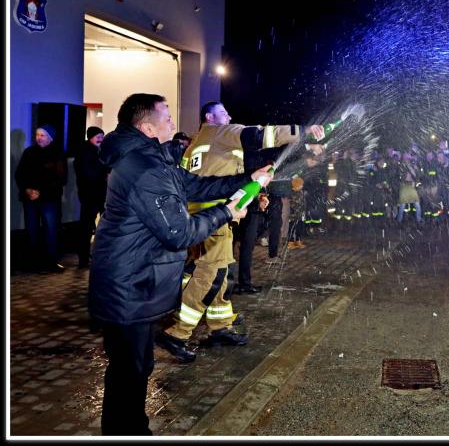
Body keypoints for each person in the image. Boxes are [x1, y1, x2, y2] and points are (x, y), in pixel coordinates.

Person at [88, 93, 271, 436]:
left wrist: (249, 178)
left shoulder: (152, 160)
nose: (173, 122)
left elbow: (198, 186)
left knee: (137, 368)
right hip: (127, 286)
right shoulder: (143, 169)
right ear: (147, 128)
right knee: (128, 372)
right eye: (167, 117)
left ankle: (134, 430)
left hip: (137, 282)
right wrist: (227, 212)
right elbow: (179, 233)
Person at [157, 101, 324, 358]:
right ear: (209, 117)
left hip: (200, 216)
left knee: (221, 271)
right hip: (215, 217)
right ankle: (177, 333)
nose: (229, 116)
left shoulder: (198, 143)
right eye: (223, 113)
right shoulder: (219, 131)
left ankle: (219, 327)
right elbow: (260, 135)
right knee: (211, 273)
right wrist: (302, 131)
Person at [14, 124, 68, 273]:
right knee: (32, 230)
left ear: (50, 138)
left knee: (50, 229)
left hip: (49, 198)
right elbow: (20, 174)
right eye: (37, 135)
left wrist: (40, 192)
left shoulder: (57, 154)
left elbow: (61, 178)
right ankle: (33, 262)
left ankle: (51, 262)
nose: (39, 138)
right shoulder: (29, 152)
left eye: (42, 135)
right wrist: (27, 190)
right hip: (29, 197)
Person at [73, 126, 108, 268]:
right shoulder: (84, 152)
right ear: (90, 137)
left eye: (102, 136)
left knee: (100, 226)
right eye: (98, 136)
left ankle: (98, 256)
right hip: (89, 195)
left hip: (101, 194)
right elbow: (88, 173)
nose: (100, 139)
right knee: (86, 227)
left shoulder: (101, 151)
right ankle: (83, 258)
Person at [287, 176, 306, 248]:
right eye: (301, 184)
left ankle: (298, 240)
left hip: (301, 214)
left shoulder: (301, 192)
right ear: (297, 185)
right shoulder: (293, 193)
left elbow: (303, 203)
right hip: (294, 215)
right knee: (292, 227)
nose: (302, 186)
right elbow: (293, 205)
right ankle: (290, 242)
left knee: (299, 228)